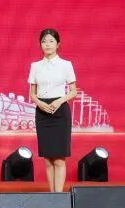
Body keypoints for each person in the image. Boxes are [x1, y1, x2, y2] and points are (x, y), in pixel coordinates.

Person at [28, 28, 78, 192]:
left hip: (60, 112)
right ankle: (52, 196)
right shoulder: (35, 66)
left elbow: (73, 91)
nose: (47, 44)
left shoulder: (66, 65)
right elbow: (32, 94)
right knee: (48, 159)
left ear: (58, 44)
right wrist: (39, 103)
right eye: (44, 41)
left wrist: (60, 101)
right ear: (40, 45)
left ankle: (59, 197)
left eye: (51, 41)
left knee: (59, 159)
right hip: (42, 113)